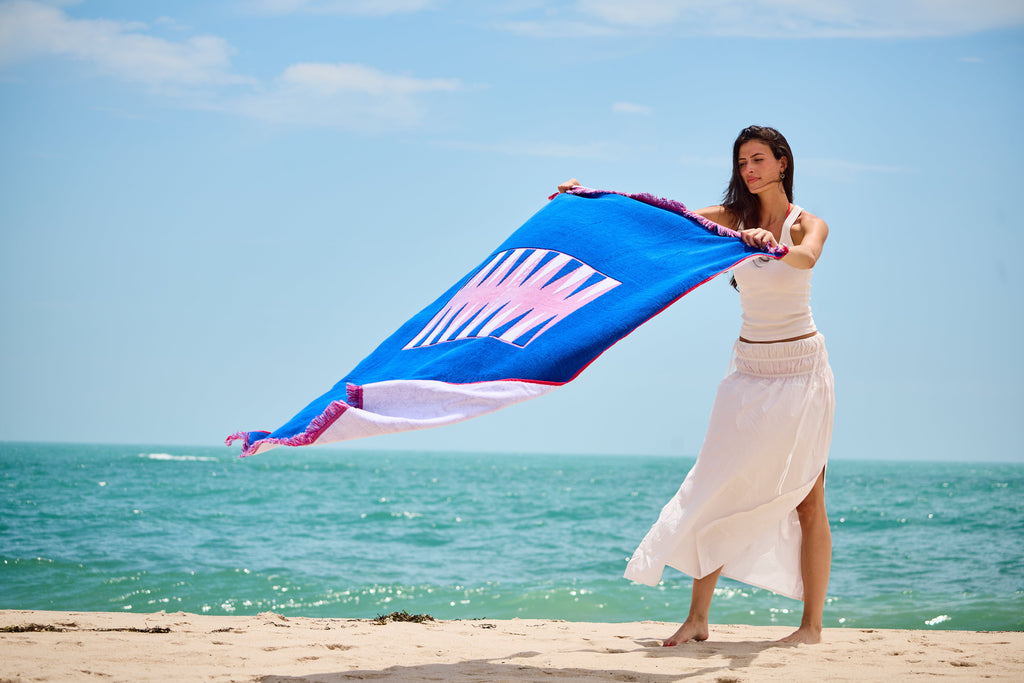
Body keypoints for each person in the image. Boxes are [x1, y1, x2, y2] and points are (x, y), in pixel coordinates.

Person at [557, 125, 834, 646]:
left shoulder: (807, 224)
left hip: (802, 367)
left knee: (809, 499)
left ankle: (811, 628)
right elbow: (657, 218)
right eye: (742, 162)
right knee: (717, 486)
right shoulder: (731, 221)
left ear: (782, 163)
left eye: (758, 160)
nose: (749, 170)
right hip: (750, 369)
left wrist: (773, 244)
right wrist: (588, 201)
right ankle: (699, 618)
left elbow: (806, 256)